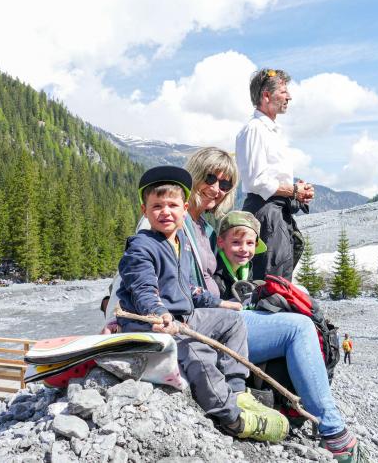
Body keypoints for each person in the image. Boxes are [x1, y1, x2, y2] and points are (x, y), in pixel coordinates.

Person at [183, 148, 363, 463]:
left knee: (296, 316)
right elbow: (145, 259)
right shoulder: (176, 218)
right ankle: (334, 433)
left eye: (225, 184)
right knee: (299, 328)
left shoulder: (203, 226)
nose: (216, 188)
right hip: (205, 322)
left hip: (217, 318)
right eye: (209, 177)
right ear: (194, 174)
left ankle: (304, 411)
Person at [115, 165, 288, 443]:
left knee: (233, 321)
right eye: (156, 206)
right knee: (199, 353)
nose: (165, 212)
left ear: (184, 209)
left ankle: (237, 390)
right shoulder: (141, 247)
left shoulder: (178, 242)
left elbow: (188, 289)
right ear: (143, 211)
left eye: (172, 205)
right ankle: (232, 417)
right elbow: (143, 289)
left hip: (183, 317)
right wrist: (159, 314)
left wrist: (220, 303)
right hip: (153, 324)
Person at [235, 68, 315, 281]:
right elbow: (256, 181)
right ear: (266, 95)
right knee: (271, 279)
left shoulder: (269, 130)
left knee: (280, 273)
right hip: (266, 211)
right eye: (283, 91)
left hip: (275, 211)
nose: (289, 96)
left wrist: (295, 190)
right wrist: (294, 191)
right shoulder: (255, 129)